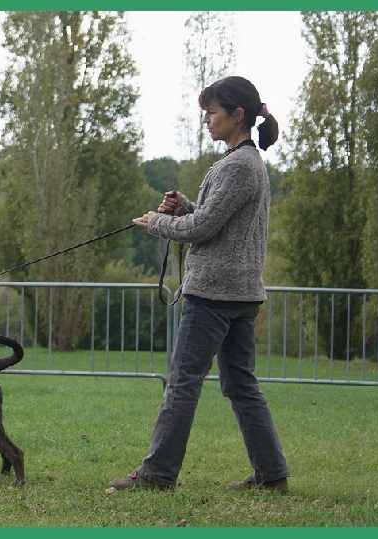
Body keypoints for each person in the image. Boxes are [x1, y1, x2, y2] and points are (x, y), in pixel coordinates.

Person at [108, 76, 290, 493]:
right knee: (241, 385)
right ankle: (272, 475)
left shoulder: (239, 166)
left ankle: (157, 475)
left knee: (183, 383)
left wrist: (159, 222)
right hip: (240, 293)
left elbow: (203, 228)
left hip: (213, 294)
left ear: (237, 115)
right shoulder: (244, 163)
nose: (206, 120)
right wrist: (184, 206)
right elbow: (217, 220)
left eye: (212, 112)